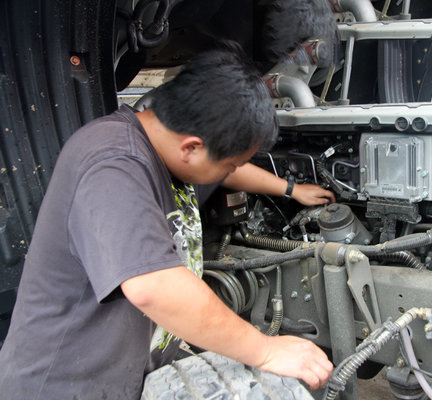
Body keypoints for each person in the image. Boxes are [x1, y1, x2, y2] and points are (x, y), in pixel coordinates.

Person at [0, 43, 334, 399]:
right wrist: (265, 350)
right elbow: (153, 286)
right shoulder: (112, 164)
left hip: (124, 381)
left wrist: (290, 189)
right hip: (61, 386)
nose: (230, 171)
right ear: (190, 148)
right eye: (228, 164)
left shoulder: (167, 145)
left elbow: (228, 170)